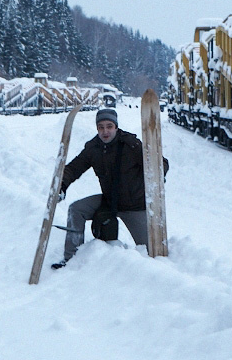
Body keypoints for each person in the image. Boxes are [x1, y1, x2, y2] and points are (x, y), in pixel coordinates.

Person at [52, 107, 169, 269]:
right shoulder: (93, 148)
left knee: (152, 253)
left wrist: (158, 174)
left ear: (116, 127)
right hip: (109, 201)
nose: (105, 131)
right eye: (101, 127)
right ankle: (71, 259)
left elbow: (160, 162)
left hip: (135, 206)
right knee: (76, 209)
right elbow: (74, 168)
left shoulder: (131, 145)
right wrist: (61, 185)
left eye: (109, 126)